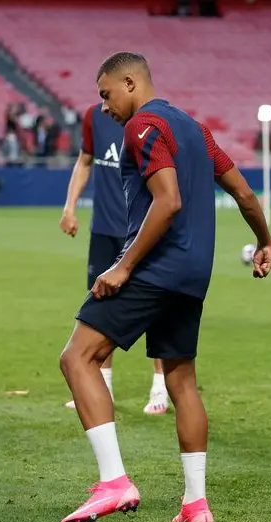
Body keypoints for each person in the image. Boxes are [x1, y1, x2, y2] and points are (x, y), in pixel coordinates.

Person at [57, 52, 271, 522]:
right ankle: (196, 505)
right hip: (194, 276)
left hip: (155, 268)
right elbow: (244, 193)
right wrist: (264, 239)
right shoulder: (196, 129)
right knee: (181, 381)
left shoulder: (144, 125)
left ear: (130, 83)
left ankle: (114, 481)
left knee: (77, 357)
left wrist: (123, 266)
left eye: (106, 94)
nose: (105, 107)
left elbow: (168, 200)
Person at [59, 101, 168, 414]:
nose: (106, 101)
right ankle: (102, 383)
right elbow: (84, 160)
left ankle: (160, 387)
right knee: (100, 301)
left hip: (143, 230)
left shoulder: (153, 122)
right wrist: (70, 207)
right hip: (104, 228)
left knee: (154, 305)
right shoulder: (95, 115)